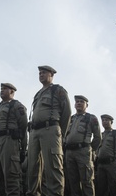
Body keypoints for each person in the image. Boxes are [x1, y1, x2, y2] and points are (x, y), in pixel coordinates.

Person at [27, 65, 72, 196]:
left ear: (52, 75)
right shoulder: (38, 93)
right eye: (40, 73)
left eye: (44, 73)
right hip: (35, 132)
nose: (41, 75)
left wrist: (59, 133)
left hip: (50, 130)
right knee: (33, 168)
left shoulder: (58, 90)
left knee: (53, 167)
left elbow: (67, 113)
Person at [0, 83, 28, 196]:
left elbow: (23, 128)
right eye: (1, 89)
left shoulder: (17, 105)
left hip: (9, 141)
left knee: (11, 177)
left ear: (12, 92)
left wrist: (23, 150)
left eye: (5, 89)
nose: (1, 90)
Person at [64, 95, 101, 196]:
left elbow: (98, 137)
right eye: (77, 102)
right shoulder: (70, 119)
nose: (79, 103)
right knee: (73, 182)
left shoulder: (91, 118)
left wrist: (89, 149)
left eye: (81, 102)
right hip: (69, 153)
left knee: (87, 180)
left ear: (86, 105)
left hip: (83, 152)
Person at [96, 114, 116, 196]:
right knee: (101, 187)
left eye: (106, 120)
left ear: (111, 122)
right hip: (101, 164)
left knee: (115, 186)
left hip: (112, 163)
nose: (104, 122)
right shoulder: (100, 135)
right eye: (103, 120)